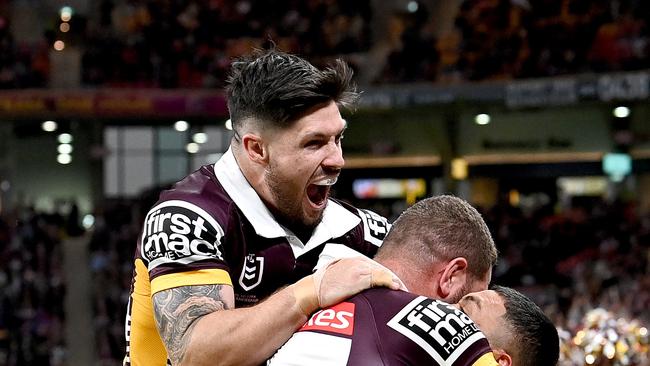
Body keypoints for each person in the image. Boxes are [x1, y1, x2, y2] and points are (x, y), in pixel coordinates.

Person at [123, 48, 401, 366]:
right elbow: (196, 355)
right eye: (314, 143)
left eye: (337, 139)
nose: (337, 160)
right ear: (257, 149)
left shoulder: (358, 229)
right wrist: (312, 292)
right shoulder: (184, 217)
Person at [268, 196, 559, 366]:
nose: (456, 315)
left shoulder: (304, 284)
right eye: (465, 304)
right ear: (451, 278)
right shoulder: (436, 324)